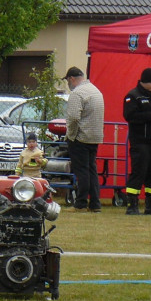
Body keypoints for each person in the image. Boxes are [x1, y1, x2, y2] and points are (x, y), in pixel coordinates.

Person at [123, 67, 151, 215]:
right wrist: (150, 116)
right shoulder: (133, 96)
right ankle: (132, 204)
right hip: (140, 141)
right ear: (144, 81)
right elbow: (130, 116)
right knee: (139, 171)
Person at [64, 66, 105, 212]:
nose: (68, 84)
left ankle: (81, 203)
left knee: (82, 171)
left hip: (81, 137)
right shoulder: (96, 90)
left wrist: (71, 135)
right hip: (95, 136)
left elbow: (74, 118)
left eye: (68, 81)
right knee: (92, 170)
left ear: (71, 79)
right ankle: (95, 204)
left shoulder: (77, 93)